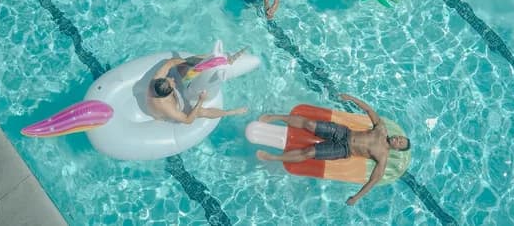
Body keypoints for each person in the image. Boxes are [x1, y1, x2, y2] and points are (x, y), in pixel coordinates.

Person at [256, 94, 411, 206]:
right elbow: (369, 110)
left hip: (343, 150)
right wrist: (351, 98)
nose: (397, 139)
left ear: (397, 149)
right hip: (344, 132)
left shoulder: (382, 157)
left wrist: (356, 198)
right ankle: (275, 117)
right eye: (399, 137)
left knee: (308, 153)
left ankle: (273, 157)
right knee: (310, 124)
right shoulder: (382, 129)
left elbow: (373, 181)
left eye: (400, 142)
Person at [146, 51, 248, 123]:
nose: (172, 79)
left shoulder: (157, 78)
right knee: (200, 112)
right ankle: (230, 112)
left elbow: (171, 62)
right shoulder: (167, 107)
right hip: (170, 110)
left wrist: (198, 65)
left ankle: (211, 58)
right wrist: (200, 101)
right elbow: (188, 120)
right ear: (168, 93)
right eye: (172, 82)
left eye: (169, 79)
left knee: (183, 66)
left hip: (170, 94)